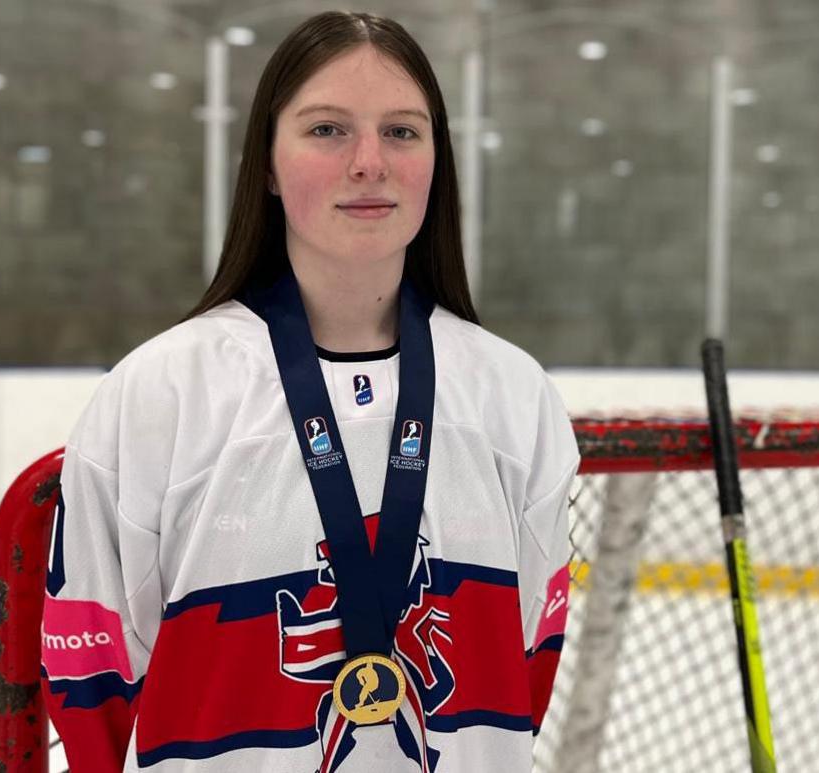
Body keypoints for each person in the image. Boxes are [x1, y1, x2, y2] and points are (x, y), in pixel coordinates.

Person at [42, 11, 579, 773]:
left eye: (402, 131)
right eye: (327, 130)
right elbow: (92, 679)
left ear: (438, 159)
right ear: (266, 161)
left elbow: (525, 673)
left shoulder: (514, 398)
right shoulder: (159, 393)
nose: (370, 162)